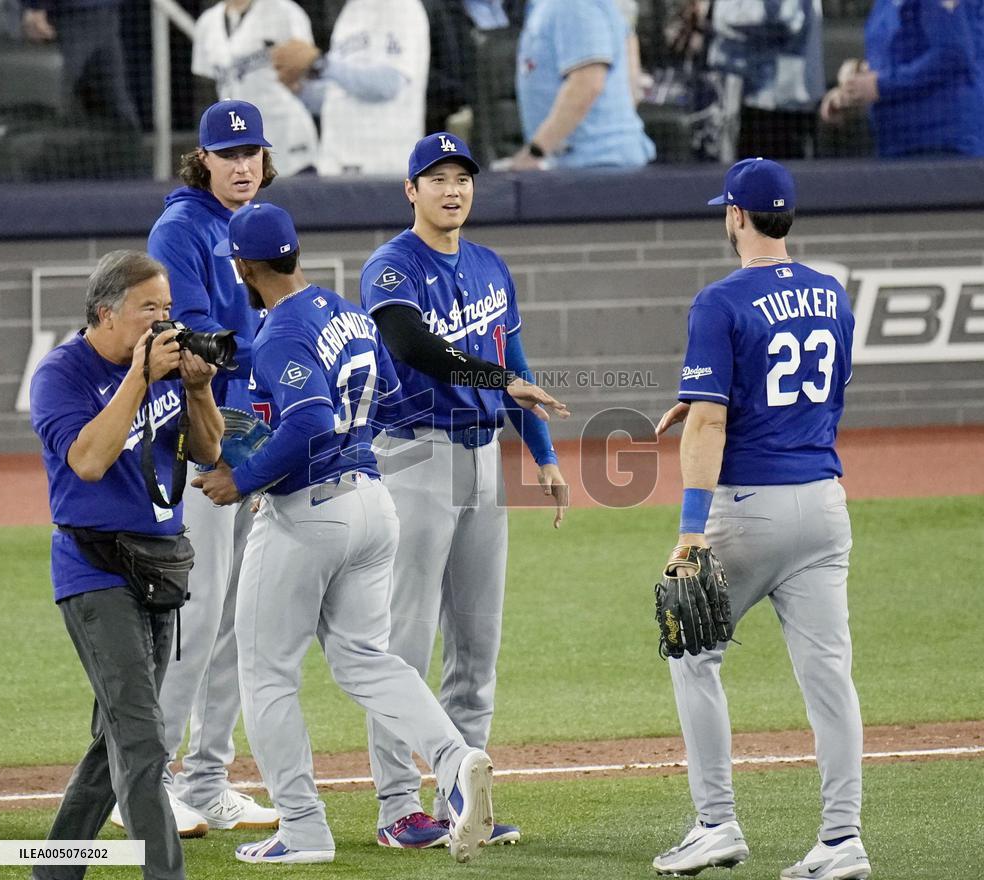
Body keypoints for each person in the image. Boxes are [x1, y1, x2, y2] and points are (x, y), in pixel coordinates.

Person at [192, 203, 505, 865]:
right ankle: (454, 763)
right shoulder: (343, 310)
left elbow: (305, 423)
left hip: (308, 513)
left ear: (245, 266)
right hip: (373, 503)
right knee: (368, 660)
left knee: (267, 675)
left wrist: (242, 479)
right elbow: (393, 399)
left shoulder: (280, 332)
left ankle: (304, 831)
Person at [651, 158, 869, 880]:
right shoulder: (832, 292)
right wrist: (714, 399)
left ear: (737, 216)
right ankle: (842, 841)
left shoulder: (721, 300)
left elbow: (709, 423)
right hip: (825, 505)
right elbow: (823, 390)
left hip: (748, 509)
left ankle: (715, 823)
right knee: (830, 677)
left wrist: (689, 533)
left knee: (693, 652)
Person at [360, 132, 570, 849]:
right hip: (415, 458)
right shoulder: (392, 267)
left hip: (483, 462)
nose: (453, 189)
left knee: (477, 648)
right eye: (437, 178)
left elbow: (515, 361)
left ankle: (465, 801)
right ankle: (396, 808)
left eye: (462, 178)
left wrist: (542, 454)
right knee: (403, 643)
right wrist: (498, 380)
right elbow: (413, 347)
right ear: (411, 192)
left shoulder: (488, 266)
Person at [107, 99, 279, 836]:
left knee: (240, 620)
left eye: (251, 154)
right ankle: (141, 786)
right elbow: (193, 340)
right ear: (201, 159)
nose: (241, 166)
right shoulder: (181, 229)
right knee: (195, 614)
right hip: (198, 442)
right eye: (227, 154)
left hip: (249, 440)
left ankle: (208, 778)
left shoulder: (251, 225)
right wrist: (283, 340)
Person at [28, 250, 225, 880]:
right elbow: (87, 460)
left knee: (116, 736)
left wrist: (196, 388)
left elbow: (208, 449)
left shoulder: (165, 367)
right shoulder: (61, 374)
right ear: (107, 313)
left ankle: (54, 869)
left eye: (167, 309)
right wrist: (138, 378)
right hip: (94, 570)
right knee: (143, 738)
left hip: (159, 566)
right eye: (150, 310)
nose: (164, 322)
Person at [270, 0, 430, 176]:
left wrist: (320, 63)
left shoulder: (400, 6)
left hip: (383, 167)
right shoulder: (350, 12)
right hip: (336, 164)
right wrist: (299, 89)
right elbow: (336, 97)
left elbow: (388, 84)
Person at [820, 0, 984, 158]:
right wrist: (856, 85)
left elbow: (953, 54)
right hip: (897, 141)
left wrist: (881, 86)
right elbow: (904, 51)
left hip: (939, 142)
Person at [511, 0, 655, 169]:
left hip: (598, 167)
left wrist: (536, 152)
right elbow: (632, 83)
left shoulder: (574, 4)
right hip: (585, 163)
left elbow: (587, 84)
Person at [192, 0, 321, 176]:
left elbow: (307, 68)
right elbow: (207, 83)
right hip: (239, 136)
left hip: (286, 130)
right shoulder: (207, 23)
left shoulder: (284, 11)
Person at [708, 0, 825, 159]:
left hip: (780, 103)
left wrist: (713, 14)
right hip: (763, 99)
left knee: (778, 178)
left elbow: (789, 18)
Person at [21, 0, 140, 130]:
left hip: (85, 13)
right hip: (85, 13)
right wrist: (36, 7)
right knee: (116, 103)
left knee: (52, 101)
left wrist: (36, 7)